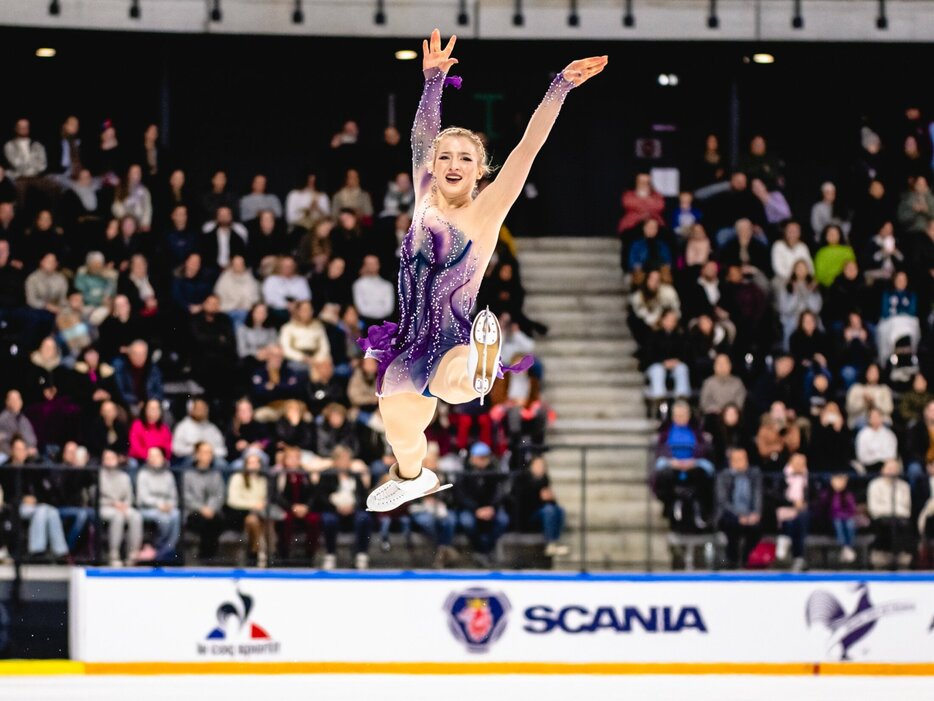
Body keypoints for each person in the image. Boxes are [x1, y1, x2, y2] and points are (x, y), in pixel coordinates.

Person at [360, 32, 605, 512]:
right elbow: (420, 137)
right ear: (433, 165)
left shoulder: (487, 211)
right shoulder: (425, 195)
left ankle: (481, 369)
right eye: (445, 156)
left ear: (480, 171)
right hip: (408, 345)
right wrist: (433, 81)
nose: (452, 164)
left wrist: (559, 86)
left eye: (465, 159)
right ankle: (413, 477)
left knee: (455, 382)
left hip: (452, 341)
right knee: (400, 429)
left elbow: (528, 149)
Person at [315, 445, 372, 570]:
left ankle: (361, 555)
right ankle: (330, 554)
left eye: (347, 459)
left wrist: (353, 506)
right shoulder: (327, 475)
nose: (345, 462)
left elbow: (363, 497)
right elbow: (320, 497)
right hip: (333, 510)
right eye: (342, 459)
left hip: (353, 510)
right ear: (335, 460)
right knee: (328, 520)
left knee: (364, 518)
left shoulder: (356, 475)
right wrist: (336, 507)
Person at [454, 441, 510, 567]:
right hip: (471, 509)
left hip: (490, 508)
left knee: (502, 520)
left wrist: (492, 507)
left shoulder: (495, 471)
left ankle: (487, 548)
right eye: (479, 458)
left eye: (485, 457)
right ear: (472, 458)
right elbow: (460, 495)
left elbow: (500, 492)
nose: (482, 461)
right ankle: (479, 549)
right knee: (467, 521)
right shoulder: (464, 472)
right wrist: (475, 509)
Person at [512, 455, 568, 557]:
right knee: (549, 510)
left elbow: (549, 502)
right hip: (526, 517)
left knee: (559, 510)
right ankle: (550, 544)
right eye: (538, 465)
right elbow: (522, 502)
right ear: (531, 466)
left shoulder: (545, 479)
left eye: (543, 465)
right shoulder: (523, 479)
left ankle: (554, 542)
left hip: (540, 515)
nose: (541, 467)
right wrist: (539, 497)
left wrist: (551, 499)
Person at [715, 447, 763, 569]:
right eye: (738, 459)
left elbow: (758, 495)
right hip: (731, 514)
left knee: (757, 527)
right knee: (731, 525)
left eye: (744, 458)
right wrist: (739, 515)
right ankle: (732, 560)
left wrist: (756, 513)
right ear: (731, 462)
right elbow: (723, 501)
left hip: (750, 515)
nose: (742, 462)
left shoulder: (754, 474)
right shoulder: (723, 476)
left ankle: (746, 558)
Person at [98, 448, 144, 566]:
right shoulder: (99, 476)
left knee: (136, 516)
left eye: (112, 458)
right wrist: (113, 503)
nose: (109, 461)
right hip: (105, 507)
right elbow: (96, 498)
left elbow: (129, 497)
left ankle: (133, 554)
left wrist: (125, 505)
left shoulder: (124, 477)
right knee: (117, 517)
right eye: (106, 458)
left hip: (123, 507)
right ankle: (114, 553)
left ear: (117, 460)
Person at [183, 442, 227, 562]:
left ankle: (210, 557)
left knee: (216, 520)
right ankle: (204, 557)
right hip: (193, 511)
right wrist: (202, 508)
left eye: (209, 453)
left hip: (212, 511)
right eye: (203, 452)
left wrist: (210, 508)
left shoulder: (216, 474)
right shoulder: (188, 474)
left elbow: (219, 495)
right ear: (196, 455)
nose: (206, 455)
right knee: (203, 521)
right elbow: (186, 496)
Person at [225, 451, 270, 567]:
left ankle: (261, 552)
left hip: (259, 513)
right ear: (245, 464)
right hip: (238, 514)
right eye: (250, 463)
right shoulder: (237, 478)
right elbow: (232, 500)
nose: (253, 466)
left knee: (263, 519)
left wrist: (259, 505)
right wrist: (253, 505)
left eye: (256, 463)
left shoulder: (263, 480)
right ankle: (258, 552)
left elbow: (264, 499)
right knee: (252, 520)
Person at [136, 447, 181, 562]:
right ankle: (159, 548)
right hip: (148, 508)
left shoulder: (168, 475)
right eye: (151, 456)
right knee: (164, 518)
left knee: (176, 514)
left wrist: (169, 505)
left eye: (157, 456)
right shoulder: (143, 474)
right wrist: (159, 505)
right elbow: (143, 497)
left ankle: (168, 549)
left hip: (166, 507)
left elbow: (174, 496)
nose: (154, 459)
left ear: (162, 458)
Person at [867, 459, 914, 569]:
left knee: (904, 524)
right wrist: (892, 510)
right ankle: (881, 557)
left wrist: (893, 511)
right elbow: (874, 509)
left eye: (894, 469)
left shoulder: (904, 486)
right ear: (882, 470)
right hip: (881, 518)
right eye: (889, 469)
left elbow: (907, 510)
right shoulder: (874, 485)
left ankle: (903, 557)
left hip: (900, 518)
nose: (891, 472)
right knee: (886, 524)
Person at [774, 452, 811, 571]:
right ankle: (793, 554)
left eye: (802, 463)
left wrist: (804, 504)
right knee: (791, 521)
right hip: (785, 509)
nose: (800, 465)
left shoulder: (809, 478)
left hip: (803, 511)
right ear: (790, 463)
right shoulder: (782, 476)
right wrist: (792, 503)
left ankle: (798, 558)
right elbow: (776, 495)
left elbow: (814, 496)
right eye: (797, 462)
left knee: (800, 519)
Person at [171, 398, 227, 463]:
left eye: (203, 408)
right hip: (189, 457)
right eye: (198, 408)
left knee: (221, 463)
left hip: (211, 459)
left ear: (207, 410)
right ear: (191, 410)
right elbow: (175, 449)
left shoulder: (213, 429)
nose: (200, 411)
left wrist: (208, 451)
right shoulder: (182, 427)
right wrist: (195, 450)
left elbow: (223, 451)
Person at [352, 254, 396, 326]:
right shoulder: (358, 285)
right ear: (364, 266)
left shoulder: (387, 285)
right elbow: (361, 309)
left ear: (378, 265)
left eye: (374, 263)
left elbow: (388, 309)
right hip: (366, 324)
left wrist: (374, 310)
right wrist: (378, 309)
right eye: (369, 264)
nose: (371, 266)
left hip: (384, 324)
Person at [826, 473, 858, 564]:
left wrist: (844, 515)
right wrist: (836, 493)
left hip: (846, 517)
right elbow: (825, 509)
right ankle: (843, 547)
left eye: (842, 480)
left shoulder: (848, 494)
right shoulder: (827, 493)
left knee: (850, 522)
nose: (839, 483)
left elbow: (852, 509)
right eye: (837, 480)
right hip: (830, 520)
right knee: (838, 522)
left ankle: (847, 548)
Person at [855, 407, 899, 473]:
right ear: (869, 419)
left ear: (882, 418)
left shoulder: (889, 434)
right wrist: (877, 458)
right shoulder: (862, 435)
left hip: (886, 466)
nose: (875, 419)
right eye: (873, 417)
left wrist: (879, 458)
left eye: (877, 416)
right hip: (868, 466)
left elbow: (892, 455)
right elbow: (861, 456)